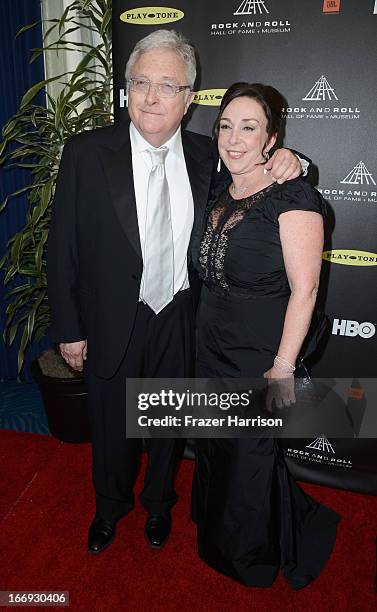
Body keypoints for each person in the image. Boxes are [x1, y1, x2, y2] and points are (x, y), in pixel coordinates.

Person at [47, 30, 303, 555]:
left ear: (190, 98)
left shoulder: (210, 155)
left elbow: (260, 176)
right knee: (112, 428)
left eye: (167, 86)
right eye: (140, 82)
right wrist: (69, 330)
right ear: (126, 89)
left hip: (182, 319)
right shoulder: (87, 153)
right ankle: (109, 507)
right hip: (112, 320)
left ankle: (158, 505)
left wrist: (291, 159)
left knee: (166, 426)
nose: (151, 97)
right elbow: (62, 247)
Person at [192, 82, 340, 589]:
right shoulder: (217, 189)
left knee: (250, 453)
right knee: (216, 447)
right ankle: (216, 536)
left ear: (272, 137)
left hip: (259, 354)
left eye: (249, 127)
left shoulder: (294, 197)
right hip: (209, 344)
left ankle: (251, 556)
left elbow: (307, 290)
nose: (234, 139)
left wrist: (281, 367)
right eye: (226, 126)